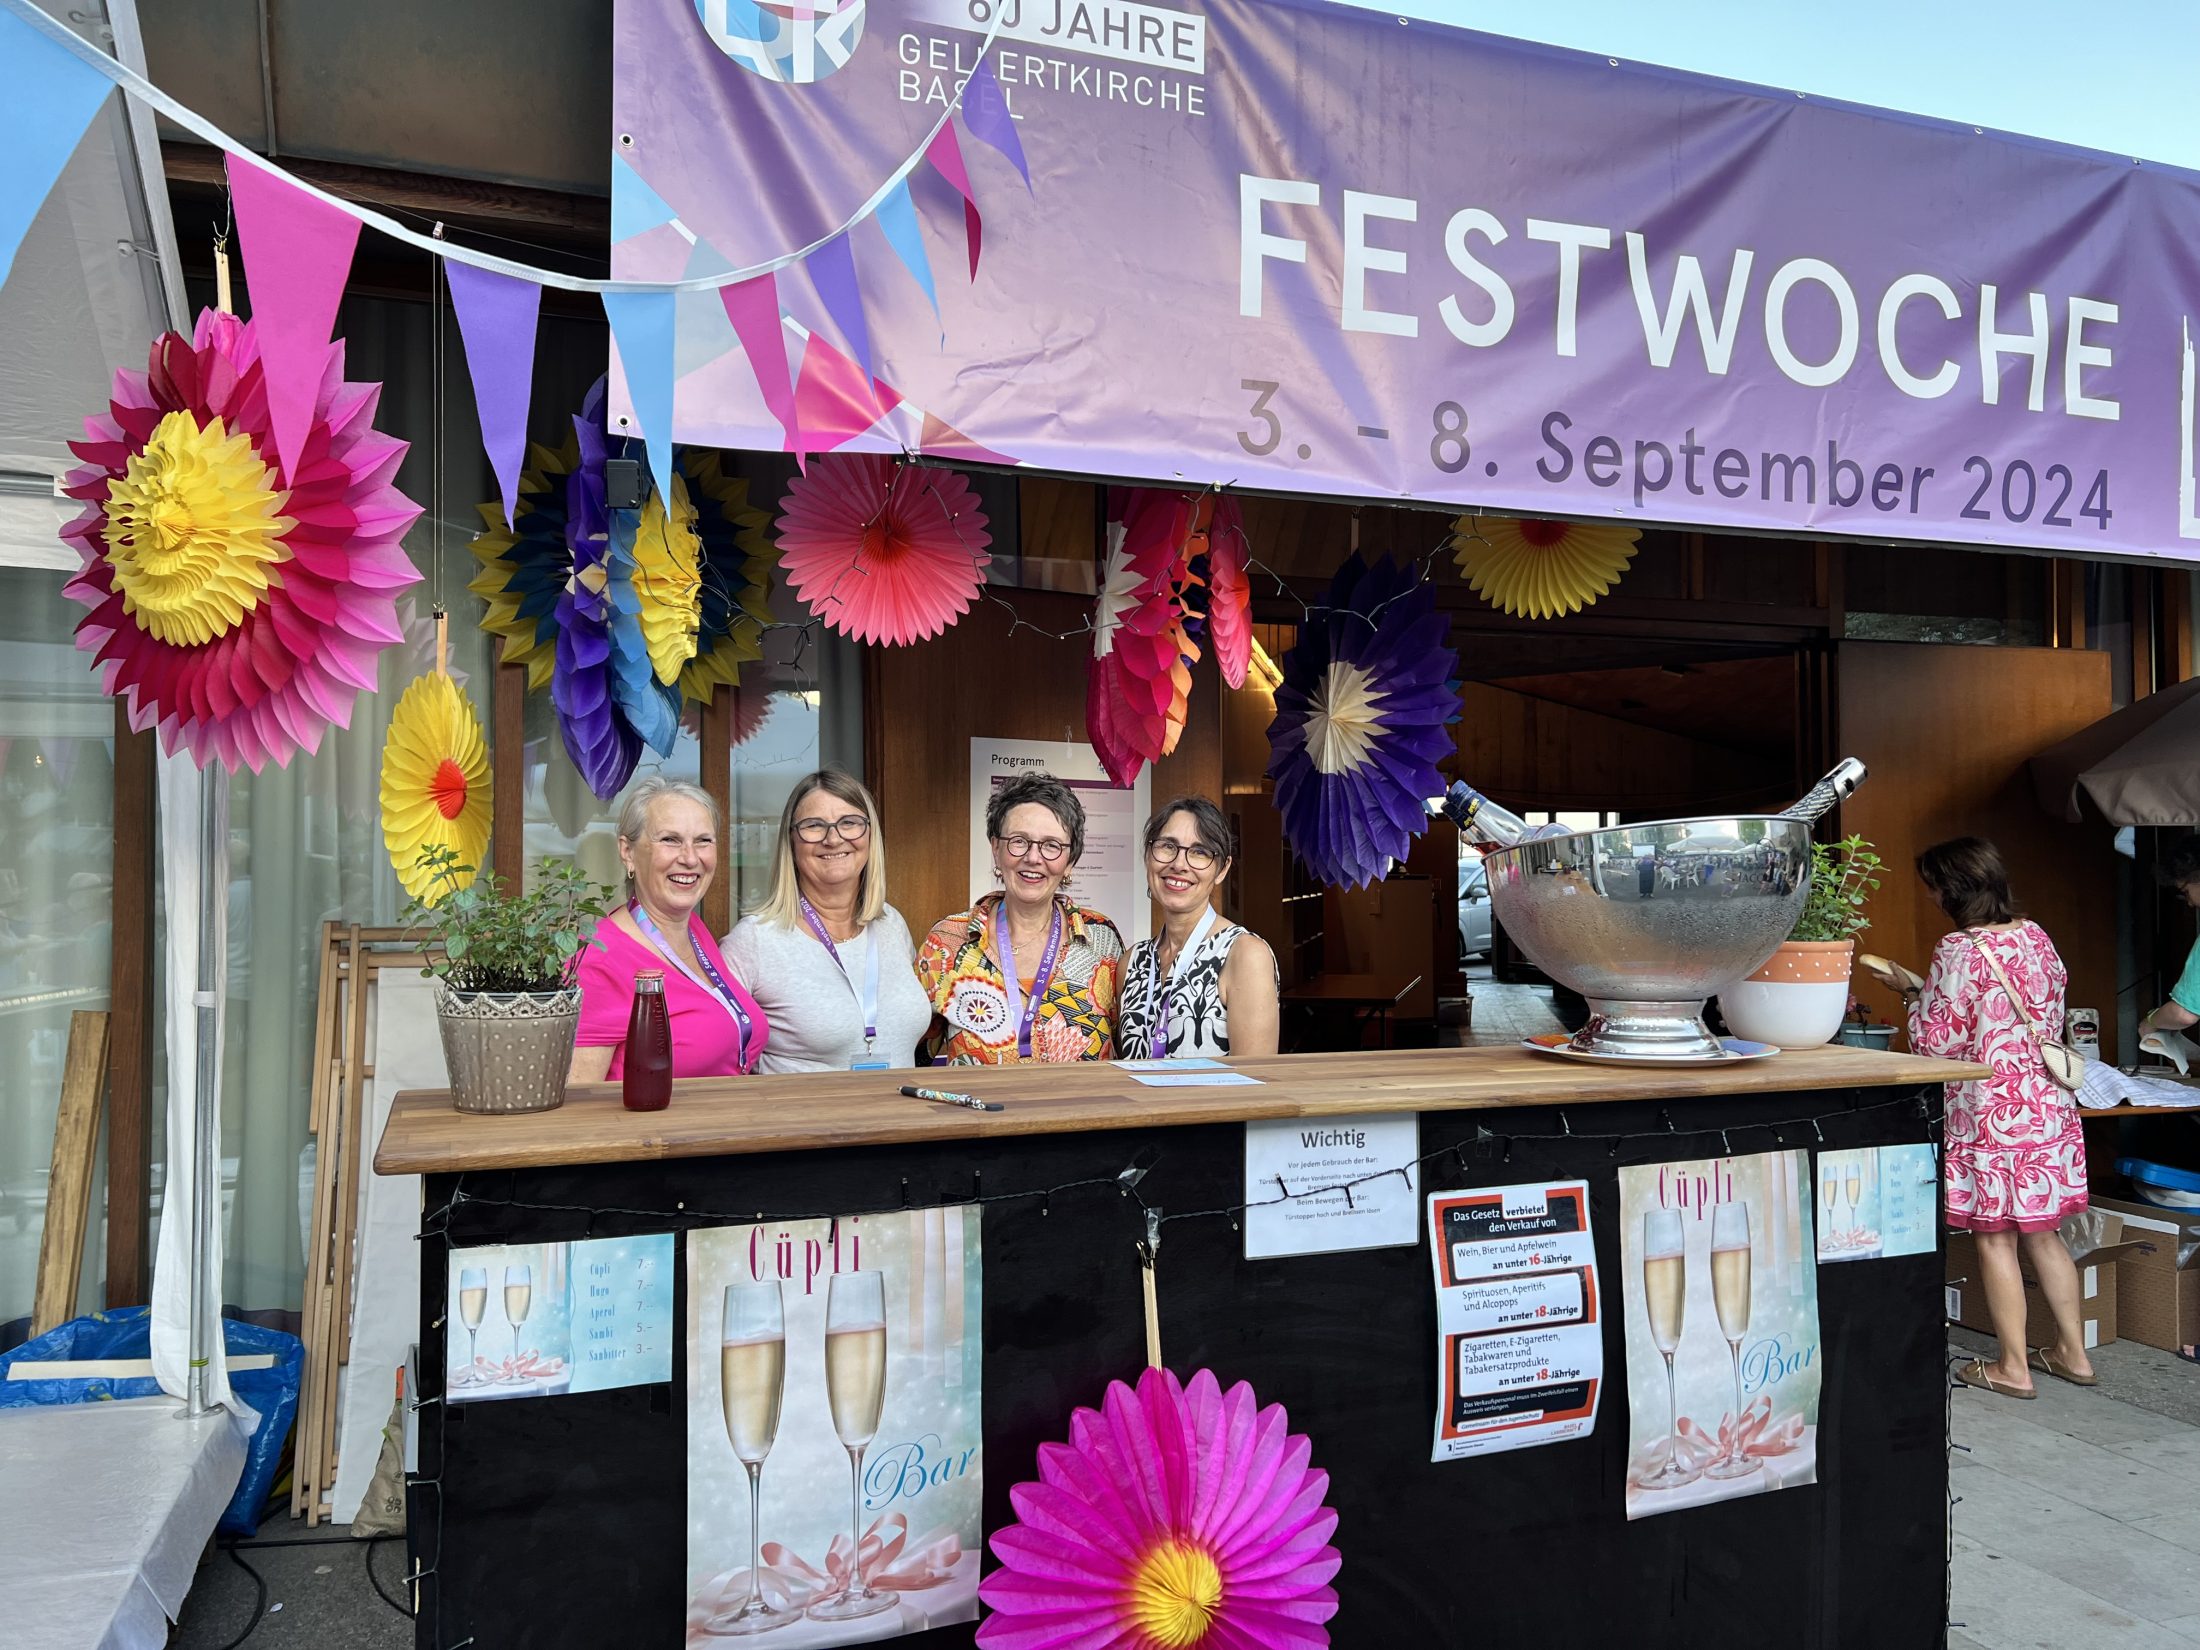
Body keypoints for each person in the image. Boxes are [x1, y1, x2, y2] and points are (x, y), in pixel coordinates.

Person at [1900, 837, 2093, 1398]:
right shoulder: (2037, 936)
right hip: (2048, 1105)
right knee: (2044, 1234)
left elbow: (1934, 1041)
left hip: (1991, 1113)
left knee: (1996, 1241)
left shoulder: (1958, 951)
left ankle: (2013, 1366)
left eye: (1933, 886)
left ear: (1950, 890)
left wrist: (1913, 997)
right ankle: (2073, 1354)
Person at [723, 770, 931, 1073]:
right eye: (813, 826)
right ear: (791, 842)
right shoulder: (753, 940)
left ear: (870, 835)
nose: (833, 839)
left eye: (849, 823)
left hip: (902, 1119)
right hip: (803, 1120)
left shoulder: (891, 924)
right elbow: (721, 1056)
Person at [917, 771, 1124, 1063]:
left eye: (1051, 845)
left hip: (1083, 1109)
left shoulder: (1101, 939)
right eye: (1019, 841)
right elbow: (912, 1052)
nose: (1033, 858)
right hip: (977, 1109)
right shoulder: (949, 940)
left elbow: (1126, 1045)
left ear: (1070, 862)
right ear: (996, 848)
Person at [570, 777, 767, 1082]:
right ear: (628, 852)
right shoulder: (597, 958)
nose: (690, 858)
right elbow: (579, 1104)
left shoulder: (694, 932)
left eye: (703, 840)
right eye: (670, 840)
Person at [1115, 797, 1278, 1059]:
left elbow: (1254, 1084)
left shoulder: (1245, 954)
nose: (1179, 864)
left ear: (1222, 869)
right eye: (1168, 846)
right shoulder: (1132, 962)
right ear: (1148, 855)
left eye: (1200, 852)